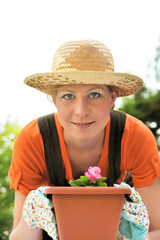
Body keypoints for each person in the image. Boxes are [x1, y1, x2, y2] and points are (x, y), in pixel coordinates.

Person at [8, 39, 160, 240]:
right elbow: (20, 236)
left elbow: (155, 230)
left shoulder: (134, 136)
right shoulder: (33, 140)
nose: (81, 111)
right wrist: (32, 215)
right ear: (54, 100)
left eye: (94, 94)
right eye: (68, 96)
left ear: (112, 98)